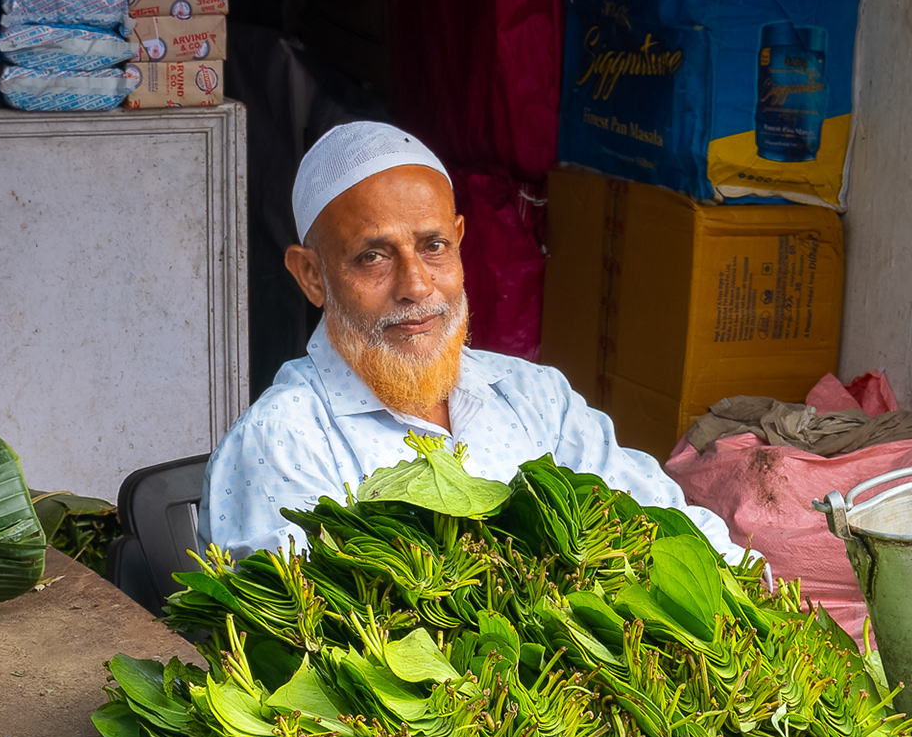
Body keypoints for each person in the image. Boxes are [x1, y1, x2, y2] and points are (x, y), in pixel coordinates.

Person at [201, 120, 742, 561]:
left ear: (459, 242)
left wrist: (749, 588)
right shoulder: (282, 442)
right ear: (313, 276)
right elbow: (310, 642)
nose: (416, 286)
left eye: (433, 246)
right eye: (373, 256)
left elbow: (666, 525)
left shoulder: (534, 398)